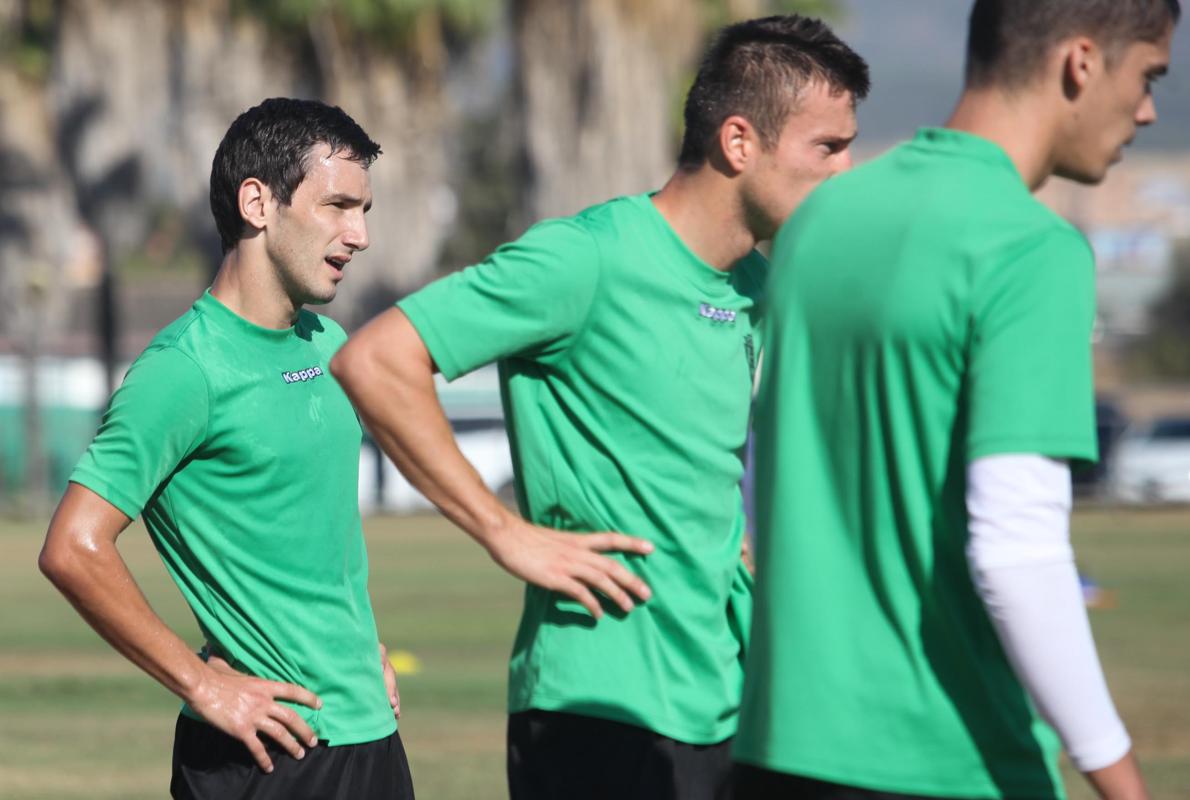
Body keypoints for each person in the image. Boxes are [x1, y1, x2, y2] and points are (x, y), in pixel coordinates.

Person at [331, 15, 868, 800]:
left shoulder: (757, 289)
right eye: (828, 147)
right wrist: (505, 532)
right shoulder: (585, 258)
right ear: (739, 142)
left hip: (731, 700)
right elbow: (376, 360)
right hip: (598, 708)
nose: (848, 171)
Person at [734, 2, 1178, 799]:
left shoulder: (818, 222)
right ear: (1081, 62)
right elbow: (1017, 553)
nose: (1148, 110)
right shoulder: (1030, 249)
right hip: (944, 760)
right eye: (1148, 75)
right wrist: (1121, 778)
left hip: (778, 749)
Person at [39, 98, 415, 799]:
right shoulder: (183, 371)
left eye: (364, 210)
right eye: (338, 206)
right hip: (269, 754)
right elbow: (72, 547)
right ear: (257, 203)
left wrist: (361, 650)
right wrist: (202, 684)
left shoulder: (328, 345)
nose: (359, 235)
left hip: (371, 735)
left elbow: (312, 544)